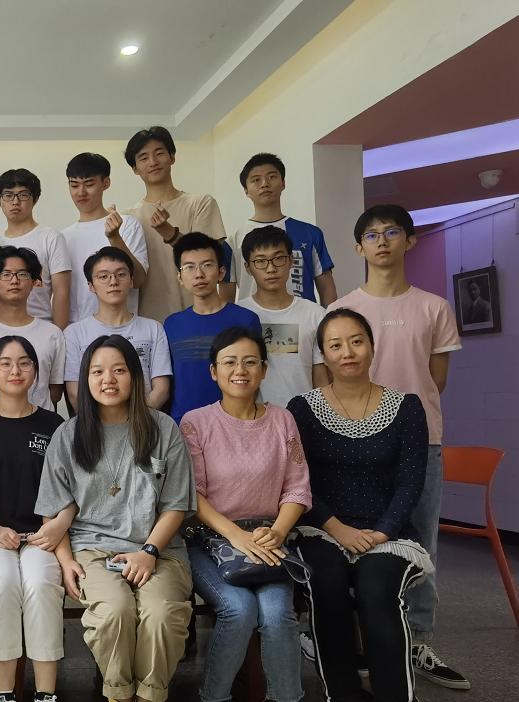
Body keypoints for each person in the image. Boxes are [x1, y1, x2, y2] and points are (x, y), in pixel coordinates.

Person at [328, 204, 465, 689]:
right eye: (371, 234)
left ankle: (419, 640)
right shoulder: (342, 310)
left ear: (410, 240)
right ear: (358, 247)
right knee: (355, 542)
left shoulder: (434, 307)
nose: (381, 241)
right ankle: (366, 642)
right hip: (354, 445)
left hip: (421, 441)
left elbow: (435, 382)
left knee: (420, 542)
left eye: (391, 232)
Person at [36, 334, 196, 702]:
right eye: (97, 372)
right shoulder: (68, 434)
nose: (108, 379)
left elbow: (176, 505)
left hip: (160, 549)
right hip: (92, 550)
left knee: (161, 614)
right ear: (86, 379)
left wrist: (149, 552)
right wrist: (65, 561)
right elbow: (52, 509)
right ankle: (119, 694)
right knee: (114, 612)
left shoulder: (163, 429)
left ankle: (150, 696)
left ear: (135, 377)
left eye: (119, 370)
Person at [287, 308, 433, 702]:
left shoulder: (407, 407)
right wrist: (339, 529)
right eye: (335, 345)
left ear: (371, 346)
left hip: (387, 531)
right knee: (327, 583)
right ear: (323, 354)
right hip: (321, 528)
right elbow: (297, 481)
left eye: (356, 341)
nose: (347, 352)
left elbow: (411, 481)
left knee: (376, 587)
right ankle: (343, 694)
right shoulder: (301, 408)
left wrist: (381, 532)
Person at [179, 327, 311, 702]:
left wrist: (278, 532)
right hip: (209, 540)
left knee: (277, 614)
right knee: (238, 609)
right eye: (230, 362)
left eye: (250, 362)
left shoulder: (283, 420)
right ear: (214, 371)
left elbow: (297, 488)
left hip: (268, 539)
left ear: (264, 370)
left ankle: (287, 698)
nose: (240, 370)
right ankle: (214, 697)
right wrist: (236, 536)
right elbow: (193, 495)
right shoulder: (195, 422)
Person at [0, 336, 65, 702]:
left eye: (24, 363)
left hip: (42, 534)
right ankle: (4, 694)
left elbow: (74, 487)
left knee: (40, 584)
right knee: (1, 584)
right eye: (5, 363)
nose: (15, 371)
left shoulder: (55, 425)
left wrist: (58, 524)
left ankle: (46, 694)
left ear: (36, 371)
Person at [124, 126, 233, 319]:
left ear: (172, 157)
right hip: (148, 322)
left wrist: (169, 233)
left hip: (199, 316)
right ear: (134, 169)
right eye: (143, 158)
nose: (153, 162)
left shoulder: (200, 203)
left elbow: (210, 255)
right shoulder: (128, 218)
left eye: (159, 153)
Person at [163, 233, 260, 422]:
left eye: (207, 265)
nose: (199, 274)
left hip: (234, 423)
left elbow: (253, 377)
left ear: (221, 272)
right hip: (183, 424)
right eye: (189, 267)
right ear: (180, 277)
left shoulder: (246, 320)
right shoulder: (171, 324)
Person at [64, 248, 171, 410]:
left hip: (144, 420)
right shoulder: (74, 333)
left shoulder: (153, 329)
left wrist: (138, 419)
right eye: (103, 276)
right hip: (94, 423)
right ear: (91, 286)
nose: (113, 281)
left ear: (131, 280)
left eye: (121, 274)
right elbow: (74, 393)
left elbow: (161, 389)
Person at [235, 226, 327, 407]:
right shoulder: (238, 315)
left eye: (278, 258)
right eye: (260, 261)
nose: (271, 269)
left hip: (304, 416)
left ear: (291, 260)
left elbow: (321, 378)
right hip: (253, 417)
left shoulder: (315, 314)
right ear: (247, 268)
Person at [231, 153, 337, 305]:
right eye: (256, 180)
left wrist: (330, 318)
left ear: (283, 183)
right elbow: (226, 298)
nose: (265, 184)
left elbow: (326, 287)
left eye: (272, 177)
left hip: (303, 319)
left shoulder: (310, 233)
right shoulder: (233, 241)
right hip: (251, 319)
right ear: (246, 190)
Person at [0, 247, 65, 411]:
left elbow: (55, 392)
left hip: (40, 423)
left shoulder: (52, 333)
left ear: (33, 282)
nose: (14, 280)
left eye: (22, 274)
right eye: (6, 274)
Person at [61, 153, 148, 322]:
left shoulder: (126, 224)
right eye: (74, 185)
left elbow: (137, 280)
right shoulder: (63, 237)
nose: (81, 192)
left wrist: (115, 237)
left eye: (89, 184)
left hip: (122, 328)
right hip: (78, 330)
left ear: (106, 183)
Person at [0, 168, 72, 329]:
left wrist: (59, 334)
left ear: (35, 199)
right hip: (2, 330)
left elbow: (61, 292)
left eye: (23, 195)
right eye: (8, 195)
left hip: (41, 326)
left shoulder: (51, 237)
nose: (15, 202)